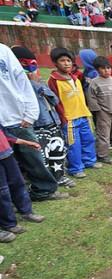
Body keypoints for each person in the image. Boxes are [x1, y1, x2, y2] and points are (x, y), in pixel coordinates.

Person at [0, 43, 67, 201]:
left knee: (33, 157)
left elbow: (22, 83)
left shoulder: (4, 51)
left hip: (17, 117)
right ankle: (11, 201)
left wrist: (30, 114)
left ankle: (44, 190)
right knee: (6, 164)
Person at [12, 45, 75, 189]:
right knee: (42, 155)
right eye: (24, 64)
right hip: (35, 125)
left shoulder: (40, 82)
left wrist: (36, 83)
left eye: (33, 64)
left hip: (52, 121)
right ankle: (44, 182)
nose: (30, 68)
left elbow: (54, 99)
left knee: (57, 151)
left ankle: (60, 177)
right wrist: (33, 83)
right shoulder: (16, 85)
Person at [48, 47, 101, 179]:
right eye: (62, 61)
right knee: (73, 144)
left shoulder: (76, 78)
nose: (66, 63)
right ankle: (76, 168)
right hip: (69, 118)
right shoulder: (54, 80)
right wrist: (63, 118)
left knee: (88, 139)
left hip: (83, 114)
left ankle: (89, 161)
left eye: (68, 60)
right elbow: (56, 102)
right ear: (55, 63)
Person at [0, 127, 45, 243]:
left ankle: (26, 212)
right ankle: (8, 223)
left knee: (18, 183)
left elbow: (6, 133)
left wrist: (27, 143)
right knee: (2, 191)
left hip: (6, 154)